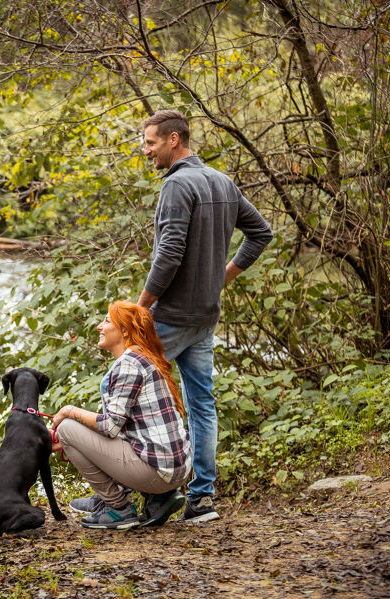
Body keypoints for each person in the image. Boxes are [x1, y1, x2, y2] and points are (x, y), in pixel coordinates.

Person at [137, 109, 273, 522]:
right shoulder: (221, 181)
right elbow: (262, 232)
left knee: (131, 397)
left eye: (151, 143)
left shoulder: (178, 186)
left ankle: (146, 497)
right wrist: (221, 279)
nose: (147, 151)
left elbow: (168, 255)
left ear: (174, 140)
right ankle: (202, 499)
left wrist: (138, 308)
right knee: (201, 405)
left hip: (172, 315)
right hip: (205, 317)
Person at [51, 301, 192, 530]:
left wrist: (70, 412)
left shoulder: (128, 365)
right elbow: (122, 424)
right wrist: (78, 439)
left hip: (158, 472)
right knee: (73, 431)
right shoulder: (143, 358)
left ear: (124, 331)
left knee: (66, 427)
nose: (99, 326)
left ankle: (117, 508)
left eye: (106, 321)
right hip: (176, 469)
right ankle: (152, 499)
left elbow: (110, 427)